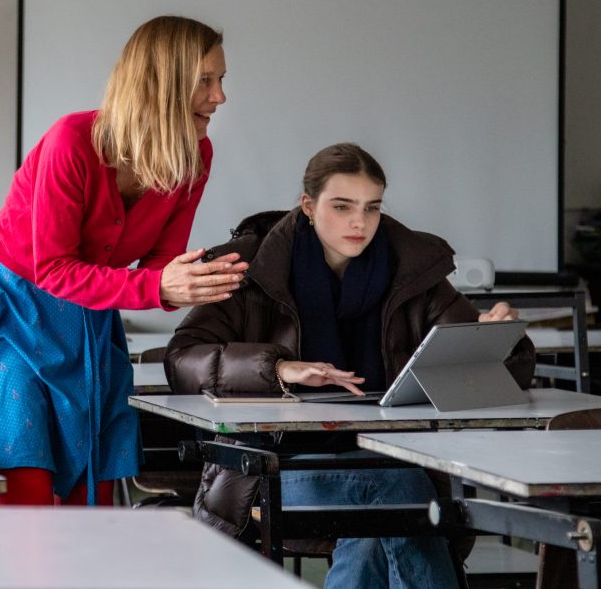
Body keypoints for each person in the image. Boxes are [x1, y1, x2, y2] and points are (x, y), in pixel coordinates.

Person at [165, 142, 535, 588]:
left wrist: (497, 337)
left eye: (372, 208)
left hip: (391, 455)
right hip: (275, 467)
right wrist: (278, 370)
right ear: (308, 205)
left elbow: (500, 374)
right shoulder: (250, 268)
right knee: (396, 492)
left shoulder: (413, 270)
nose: (360, 222)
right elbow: (183, 358)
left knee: (375, 525)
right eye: (342, 207)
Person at [0, 16, 248, 506]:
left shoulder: (197, 155)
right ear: (162, 85)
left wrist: (188, 281)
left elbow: (159, 265)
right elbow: (53, 269)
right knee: (25, 470)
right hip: (15, 312)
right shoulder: (72, 141)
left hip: (88, 313)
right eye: (205, 80)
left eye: (221, 80)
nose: (219, 97)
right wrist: (160, 286)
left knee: (93, 485)